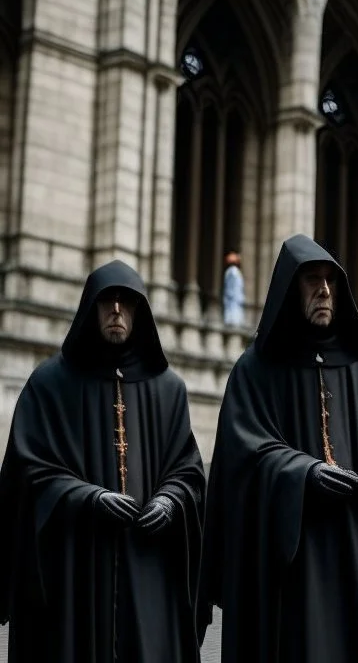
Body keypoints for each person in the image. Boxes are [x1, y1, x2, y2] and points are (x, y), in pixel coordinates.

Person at [199, 234, 358, 662]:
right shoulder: (256, 370)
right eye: (312, 281)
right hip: (292, 571)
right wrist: (303, 472)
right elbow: (244, 457)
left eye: (330, 281)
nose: (324, 290)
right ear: (289, 289)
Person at [0, 260, 205, 662]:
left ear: (139, 312)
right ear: (90, 309)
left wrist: (170, 499)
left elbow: (188, 471)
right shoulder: (50, 384)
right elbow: (27, 470)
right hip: (74, 575)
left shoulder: (169, 390)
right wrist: (86, 498)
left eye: (126, 303)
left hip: (148, 575)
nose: (116, 310)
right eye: (106, 301)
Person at [223, 251, 245, 327]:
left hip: (236, 299)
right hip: (233, 300)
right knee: (233, 319)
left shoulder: (233, 271)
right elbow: (230, 289)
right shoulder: (232, 271)